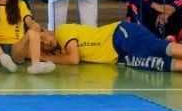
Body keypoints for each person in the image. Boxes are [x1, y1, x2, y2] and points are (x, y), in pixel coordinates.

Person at [41, 22, 182, 72]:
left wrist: (45, 58)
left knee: (157, 47)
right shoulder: (61, 52)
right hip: (119, 56)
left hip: (119, 34)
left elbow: (73, 59)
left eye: (43, 37)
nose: (45, 42)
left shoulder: (62, 31)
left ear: (47, 30)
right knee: (158, 64)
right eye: (42, 45)